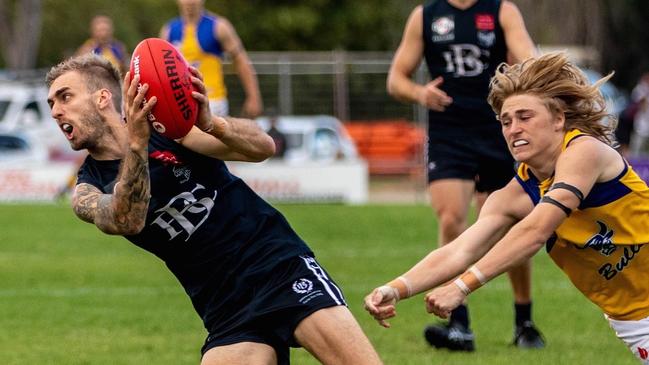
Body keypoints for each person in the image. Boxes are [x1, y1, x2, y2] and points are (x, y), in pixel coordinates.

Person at [45, 54, 382, 365]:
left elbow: (263, 147)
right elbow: (128, 219)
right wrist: (137, 145)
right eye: (52, 103)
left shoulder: (172, 132)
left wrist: (209, 121)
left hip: (275, 265)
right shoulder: (87, 189)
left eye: (65, 97)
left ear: (103, 98)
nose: (56, 110)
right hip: (224, 310)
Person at [365, 52, 649, 364]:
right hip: (634, 320)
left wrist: (461, 287)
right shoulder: (514, 195)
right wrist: (396, 288)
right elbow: (459, 251)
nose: (513, 129)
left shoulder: (584, 151)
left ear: (558, 119)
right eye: (505, 121)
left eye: (525, 117)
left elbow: (536, 230)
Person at [386, 0, 542, 351]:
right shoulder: (425, 15)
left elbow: (529, 60)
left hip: (498, 131)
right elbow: (396, 79)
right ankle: (458, 325)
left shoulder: (501, 10)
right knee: (452, 219)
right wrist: (419, 93)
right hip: (449, 133)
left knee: (512, 225)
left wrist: (522, 85)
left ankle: (524, 321)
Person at [160, 0, 263, 118]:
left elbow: (241, 61)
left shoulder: (219, 26)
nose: (190, 2)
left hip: (213, 101)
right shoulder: (168, 30)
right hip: (181, 103)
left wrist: (254, 96)